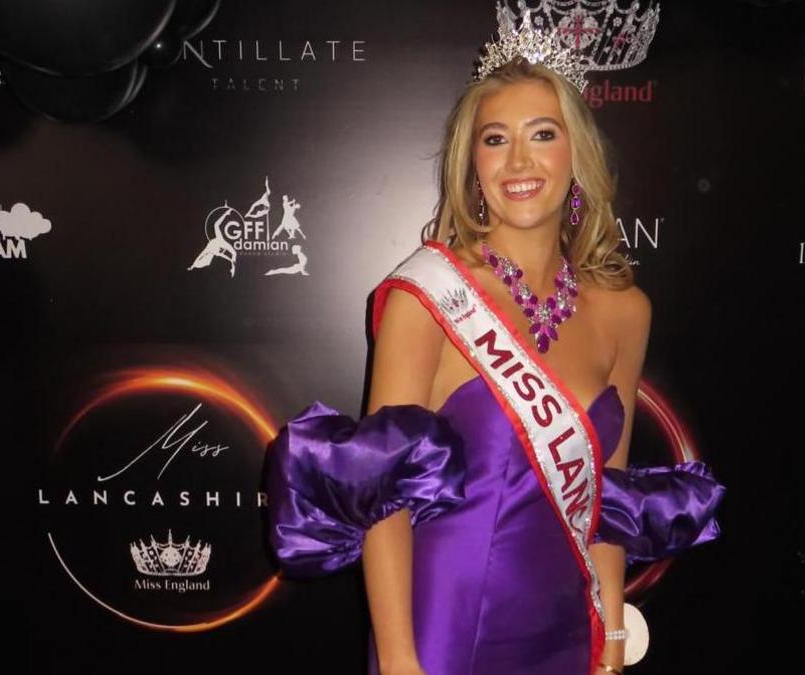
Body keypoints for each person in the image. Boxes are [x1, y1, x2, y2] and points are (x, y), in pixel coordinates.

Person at [263, 10, 726, 675]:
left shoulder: (626, 311)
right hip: (445, 629)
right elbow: (381, 503)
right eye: (494, 138)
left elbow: (607, 499)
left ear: (576, 151)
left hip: (568, 629)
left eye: (542, 133)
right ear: (471, 163)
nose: (518, 161)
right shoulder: (427, 299)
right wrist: (399, 660)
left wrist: (613, 644)